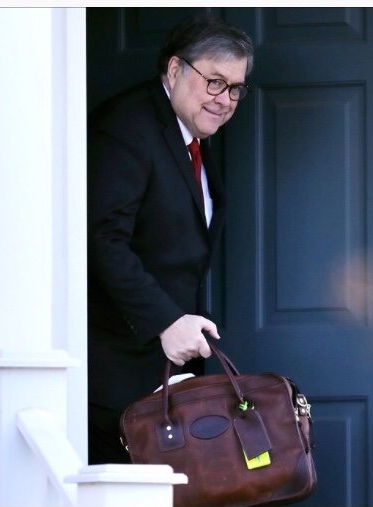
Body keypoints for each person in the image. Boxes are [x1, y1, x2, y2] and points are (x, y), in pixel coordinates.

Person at [87, 13, 254, 465]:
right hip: (118, 375)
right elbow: (102, 240)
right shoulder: (125, 128)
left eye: (235, 88)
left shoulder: (192, 135)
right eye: (215, 82)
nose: (225, 100)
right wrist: (166, 321)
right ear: (175, 69)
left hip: (168, 374)